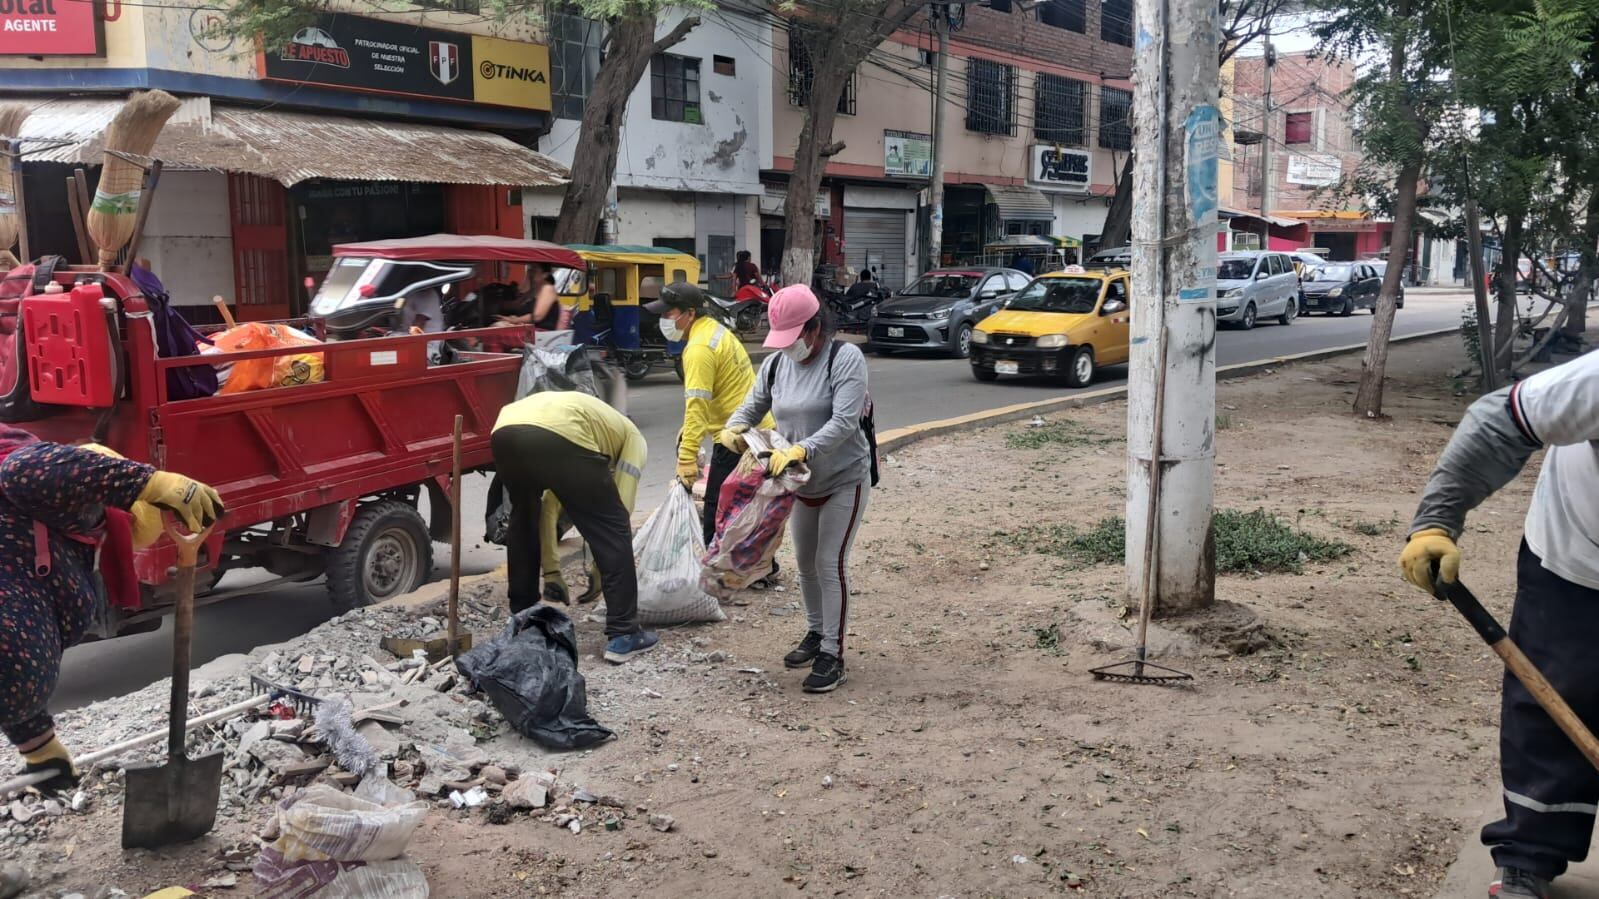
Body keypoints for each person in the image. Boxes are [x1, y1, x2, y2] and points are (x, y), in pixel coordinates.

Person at [1399, 350, 1599, 899]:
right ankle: (1528, 856)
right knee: (1555, 705)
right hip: (1577, 560)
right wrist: (1435, 524)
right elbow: (1500, 420)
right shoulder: (1595, 383)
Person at [0, 431, 221, 897]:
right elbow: (27, 469)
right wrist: (151, 481)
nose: (102, 535)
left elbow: (19, 647)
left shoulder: (42, 531)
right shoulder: (31, 478)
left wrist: (36, 740)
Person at [720, 285, 870, 693]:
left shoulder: (845, 359)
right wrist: (734, 428)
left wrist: (803, 448)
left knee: (829, 563)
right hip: (800, 482)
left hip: (844, 478)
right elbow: (752, 406)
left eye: (794, 338)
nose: (789, 348)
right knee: (804, 564)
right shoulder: (775, 365)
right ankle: (816, 632)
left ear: (815, 327)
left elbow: (845, 422)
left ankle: (833, 655)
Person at [491, 390, 657, 664]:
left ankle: (523, 621)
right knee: (613, 527)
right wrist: (601, 568)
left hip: (506, 429)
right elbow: (620, 511)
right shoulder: (633, 437)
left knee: (524, 520)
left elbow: (546, 508)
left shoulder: (595, 426)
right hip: (561, 431)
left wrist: (553, 572)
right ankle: (624, 634)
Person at [643, 282, 773, 545]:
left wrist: (687, 457)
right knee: (747, 505)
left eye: (669, 313)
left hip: (737, 437)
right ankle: (758, 567)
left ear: (689, 313)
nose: (664, 319)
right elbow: (717, 392)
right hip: (756, 430)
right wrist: (692, 431)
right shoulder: (715, 330)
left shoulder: (699, 349)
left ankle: (719, 571)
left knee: (718, 508)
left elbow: (697, 406)